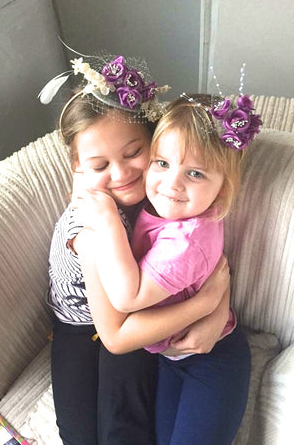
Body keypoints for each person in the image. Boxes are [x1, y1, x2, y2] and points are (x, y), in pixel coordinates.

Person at [39, 53, 231, 445]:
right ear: (77, 169)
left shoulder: (165, 192)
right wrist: (205, 306)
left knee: (125, 430)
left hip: (140, 316)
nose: (122, 174)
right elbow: (116, 332)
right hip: (86, 325)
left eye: (133, 154)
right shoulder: (93, 228)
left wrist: (220, 306)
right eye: (98, 166)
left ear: (157, 145)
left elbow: (203, 261)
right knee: (79, 436)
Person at [78, 93, 260, 444]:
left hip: (213, 360)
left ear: (222, 190)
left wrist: (109, 224)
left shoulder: (187, 238)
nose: (172, 183)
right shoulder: (158, 201)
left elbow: (129, 297)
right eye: (161, 163)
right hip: (170, 357)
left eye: (194, 173)